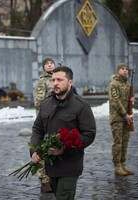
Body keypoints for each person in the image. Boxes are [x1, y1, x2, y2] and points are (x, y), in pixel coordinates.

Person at [30, 66, 96, 199]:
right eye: (53, 80)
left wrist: (64, 149)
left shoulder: (81, 105)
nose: (55, 83)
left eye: (59, 80)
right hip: (51, 167)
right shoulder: (46, 103)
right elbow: (37, 129)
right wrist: (35, 150)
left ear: (70, 82)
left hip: (70, 165)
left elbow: (89, 134)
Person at [107, 63, 135, 176]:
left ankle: (123, 164)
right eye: (122, 69)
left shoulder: (127, 85)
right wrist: (125, 114)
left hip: (126, 117)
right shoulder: (114, 84)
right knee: (118, 142)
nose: (125, 71)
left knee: (125, 141)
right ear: (118, 70)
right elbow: (115, 101)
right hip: (117, 118)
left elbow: (128, 100)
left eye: (126, 69)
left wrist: (132, 99)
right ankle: (117, 166)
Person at [33, 56, 55, 193]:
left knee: (53, 149)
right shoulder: (42, 82)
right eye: (47, 63)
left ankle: (52, 178)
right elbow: (39, 102)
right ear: (43, 67)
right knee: (42, 150)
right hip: (45, 119)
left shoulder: (56, 79)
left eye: (51, 63)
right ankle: (44, 180)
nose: (50, 65)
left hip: (56, 120)